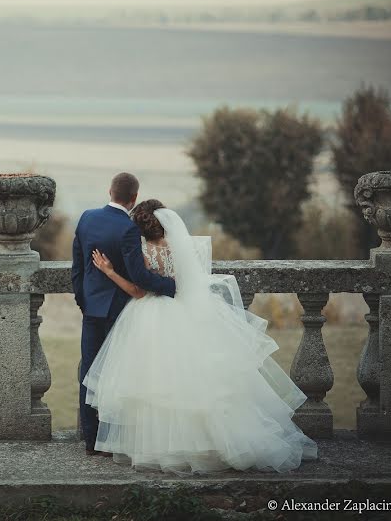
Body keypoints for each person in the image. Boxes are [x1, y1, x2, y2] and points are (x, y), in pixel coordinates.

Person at [83, 200, 318, 473]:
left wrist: (110, 271)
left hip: (151, 316)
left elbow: (139, 291)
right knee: (199, 382)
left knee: (159, 384)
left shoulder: (143, 250)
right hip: (186, 311)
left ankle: (164, 448)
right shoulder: (181, 248)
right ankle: (216, 443)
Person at [71, 173, 177, 456]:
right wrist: (173, 286)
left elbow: (78, 267)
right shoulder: (127, 228)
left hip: (91, 308)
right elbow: (140, 276)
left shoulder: (86, 218)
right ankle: (114, 438)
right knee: (117, 376)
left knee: (89, 374)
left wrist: (83, 301)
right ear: (133, 199)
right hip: (120, 311)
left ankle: (92, 442)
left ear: (109, 191)